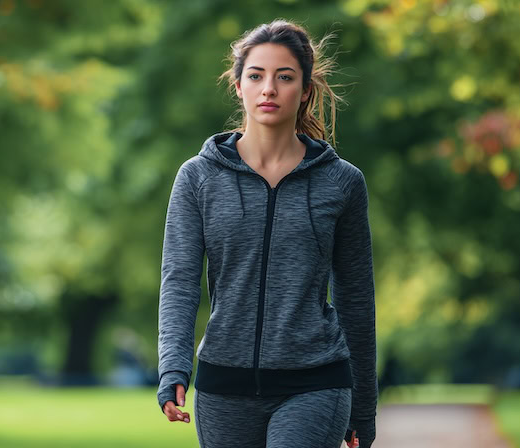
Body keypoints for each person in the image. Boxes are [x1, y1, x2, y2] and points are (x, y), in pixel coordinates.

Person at [156, 19, 377, 448]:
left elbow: (355, 298)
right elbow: (179, 280)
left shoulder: (342, 182)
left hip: (315, 383)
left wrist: (364, 407)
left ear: (306, 90)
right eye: (256, 76)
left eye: (285, 77)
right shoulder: (198, 178)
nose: (269, 89)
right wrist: (174, 367)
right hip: (224, 387)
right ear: (238, 86)